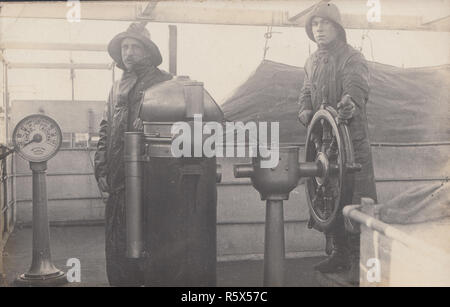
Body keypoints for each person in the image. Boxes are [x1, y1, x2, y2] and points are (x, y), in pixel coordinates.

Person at [297, 2, 378, 284]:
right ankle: (338, 253)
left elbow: (356, 87)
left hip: (351, 145)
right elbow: (306, 90)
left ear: (338, 28)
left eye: (325, 24)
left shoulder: (352, 58)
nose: (319, 29)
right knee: (327, 198)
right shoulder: (311, 62)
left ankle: (360, 261)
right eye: (314, 25)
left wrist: (349, 103)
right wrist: (304, 108)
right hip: (324, 146)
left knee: (355, 199)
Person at [94, 22, 172, 286]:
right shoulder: (116, 87)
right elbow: (105, 128)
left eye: (135, 46)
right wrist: (101, 166)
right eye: (124, 47)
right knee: (118, 243)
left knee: (153, 239)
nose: (128, 52)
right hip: (119, 179)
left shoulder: (166, 83)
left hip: (153, 178)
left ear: (148, 51)